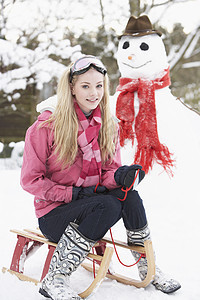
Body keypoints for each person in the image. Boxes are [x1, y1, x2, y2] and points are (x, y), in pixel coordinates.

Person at [20, 55, 180, 300]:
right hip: (54, 214)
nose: (94, 93)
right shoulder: (46, 127)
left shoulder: (107, 124)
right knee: (107, 204)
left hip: (91, 205)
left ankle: (148, 267)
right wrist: (72, 193)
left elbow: (106, 173)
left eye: (99, 86)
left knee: (131, 198)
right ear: (71, 87)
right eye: (85, 86)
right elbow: (30, 180)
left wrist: (120, 176)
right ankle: (56, 279)